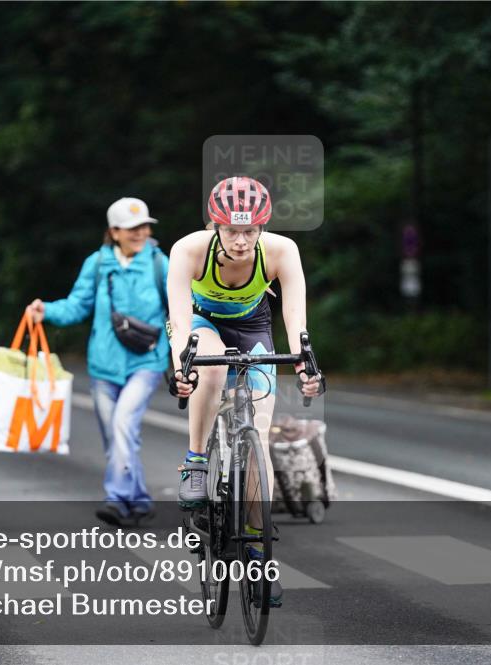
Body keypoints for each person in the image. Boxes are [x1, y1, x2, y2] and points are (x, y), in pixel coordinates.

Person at [167, 176, 324, 607]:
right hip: (202, 326)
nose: (240, 240)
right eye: (232, 231)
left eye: (250, 231)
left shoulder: (281, 251)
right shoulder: (188, 250)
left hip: (254, 327)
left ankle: (257, 549)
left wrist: (304, 361)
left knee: (257, 426)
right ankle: (196, 460)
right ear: (213, 226)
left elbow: (294, 315)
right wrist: (185, 366)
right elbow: (179, 321)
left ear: (262, 229)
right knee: (212, 373)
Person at [27, 197, 170, 527]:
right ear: (114, 232)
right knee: (115, 435)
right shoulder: (97, 264)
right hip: (104, 364)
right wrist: (46, 311)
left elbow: (178, 307)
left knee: (123, 423)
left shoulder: (159, 263)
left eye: (145, 226)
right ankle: (139, 499)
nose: (141, 232)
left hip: (146, 361)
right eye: (133, 228)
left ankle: (118, 499)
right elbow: (77, 305)